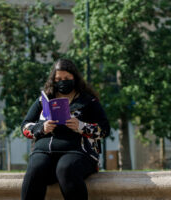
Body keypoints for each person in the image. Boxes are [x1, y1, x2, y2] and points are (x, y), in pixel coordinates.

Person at [21, 59, 110, 200]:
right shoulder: (43, 100)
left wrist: (81, 126)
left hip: (78, 152)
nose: (62, 82)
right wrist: (42, 128)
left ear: (75, 77)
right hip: (44, 151)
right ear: (53, 80)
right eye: (58, 79)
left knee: (65, 168)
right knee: (35, 168)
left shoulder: (88, 101)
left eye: (67, 78)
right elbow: (25, 126)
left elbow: (104, 129)